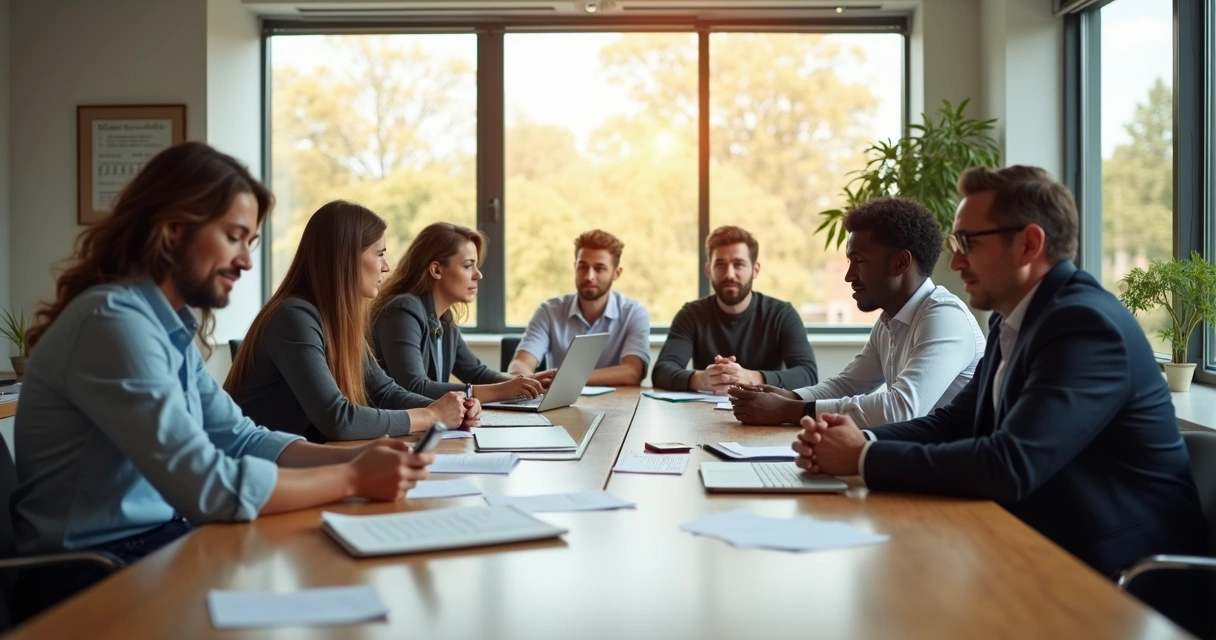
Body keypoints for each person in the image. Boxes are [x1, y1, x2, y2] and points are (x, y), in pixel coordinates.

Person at [11, 143, 434, 621]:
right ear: (173, 231)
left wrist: (361, 455)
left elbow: (240, 437)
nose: (246, 261)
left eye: (250, 243)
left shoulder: (162, 326)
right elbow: (209, 487)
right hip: (92, 575)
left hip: (157, 547)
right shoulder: (112, 323)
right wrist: (352, 477)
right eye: (234, 237)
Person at [792, 165, 1207, 635]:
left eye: (968, 242)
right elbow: (956, 422)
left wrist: (864, 457)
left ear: (1029, 244)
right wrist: (855, 438)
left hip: (1119, 581)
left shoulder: (1084, 326)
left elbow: (1009, 464)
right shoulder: (1013, 320)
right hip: (1036, 545)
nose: (957, 261)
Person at [226, 202, 473, 442]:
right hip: (252, 473)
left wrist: (451, 409)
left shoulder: (338, 320)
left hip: (296, 463)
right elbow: (338, 420)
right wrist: (430, 415)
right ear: (346, 258)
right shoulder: (293, 318)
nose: (386, 267)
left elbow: (383, 392)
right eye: (380, 254)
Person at [728, 198, 984, 426]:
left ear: (901, 262)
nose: (849, 276)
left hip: (952, 473)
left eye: (859, 261)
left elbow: (902, 408)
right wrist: (788, 396)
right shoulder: (890, 320)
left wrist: (788, 410)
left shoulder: (944, 317)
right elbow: (847, 384)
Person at [372, 222, 554, 402]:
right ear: (436, 270)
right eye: (468, 266)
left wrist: (525, 382)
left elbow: (476, 373)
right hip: (394, 429)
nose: (478, 275)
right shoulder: (402, 311)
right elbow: (414, 387)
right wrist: (501, 390)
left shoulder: (444, 318)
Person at [651, 225, 817, 392]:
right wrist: (701, 379)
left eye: (738, 264)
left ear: (755, 270)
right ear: (709, 270)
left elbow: (808, 375)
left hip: (769, 415)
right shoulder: (691, 314)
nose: (729, 274)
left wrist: (753, 378)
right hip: (702, 414)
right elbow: (661, 372)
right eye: (720, 265)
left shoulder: (782, 315)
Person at [508, 230, 651, 386]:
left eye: (599, 268)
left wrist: (562, 378)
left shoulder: (633, 313)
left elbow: (632, 372)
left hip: (619, 405)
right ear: (575, 267)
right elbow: (520, 364)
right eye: (582, 266)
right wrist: (531, 382)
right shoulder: (549, 311)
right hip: (560, 404)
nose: (589, 276)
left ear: (616, 273)